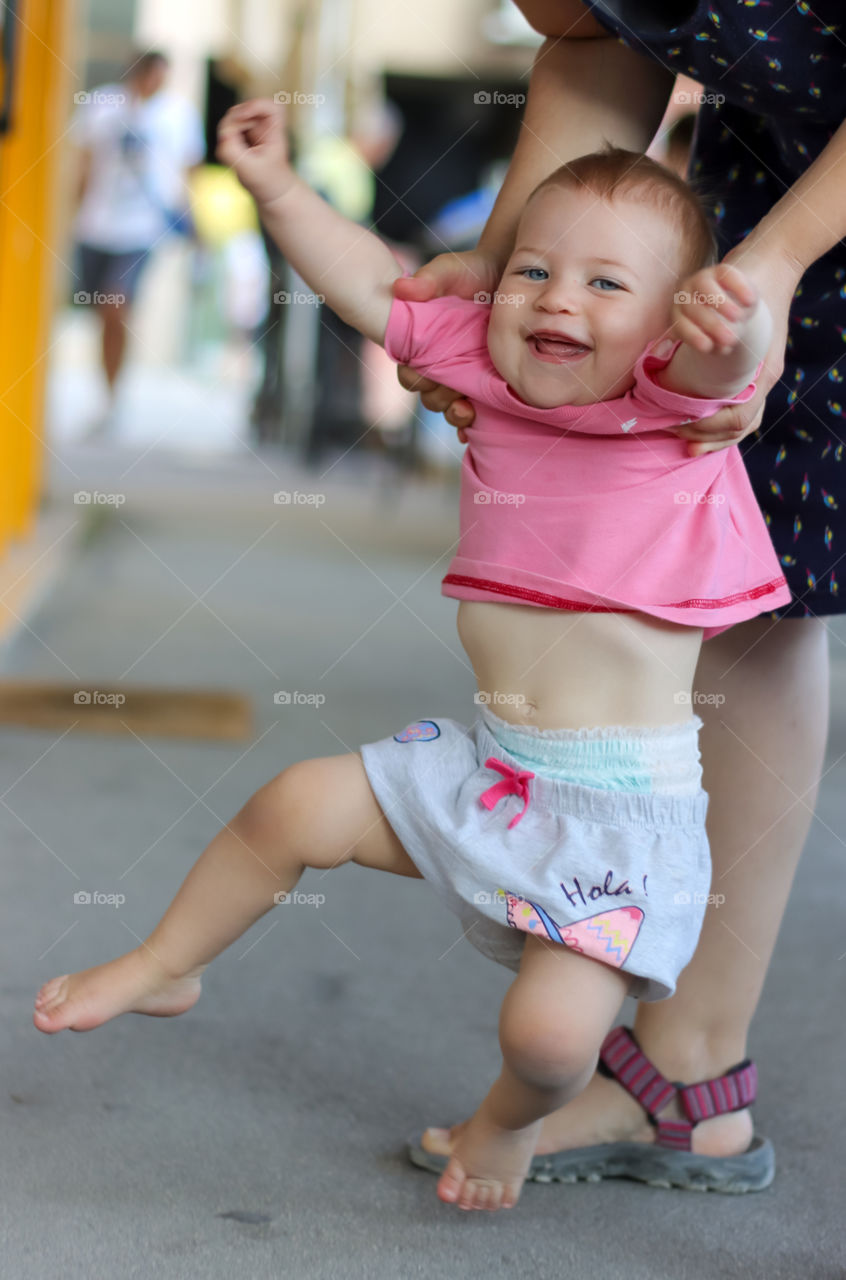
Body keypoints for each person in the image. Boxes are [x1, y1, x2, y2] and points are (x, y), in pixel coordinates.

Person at [32, 98, 788, 1213]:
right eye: (532, 270)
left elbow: (736, 355)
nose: (555, 299)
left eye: (605, 285)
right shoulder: (486, 374)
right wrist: (278, 189)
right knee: (293, 803)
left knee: (547, 1037)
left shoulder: (667, 408)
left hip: (619, 818)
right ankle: (165, 961)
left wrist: (740, 324)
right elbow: (367, 283)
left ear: (668, 327)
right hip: (494, 764)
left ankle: (508, 1119)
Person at [395, 0, 843, 1195]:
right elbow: (601, 40)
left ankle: (690, 1068)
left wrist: (783, 261)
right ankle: (690, 1072)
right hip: (763, 194)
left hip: (809, 219)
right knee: (754, 570)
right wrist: (508, 261)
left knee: (765, 591)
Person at [71, 49, 205, 422]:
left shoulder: (179, 115)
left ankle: (113, 399)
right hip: (97, 226)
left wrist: (196, 226)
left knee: (116, 307)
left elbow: (189, 176)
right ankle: (106, 390)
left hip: (144, 230)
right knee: (101, 314)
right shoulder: (102, 105)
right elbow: (82, 164)